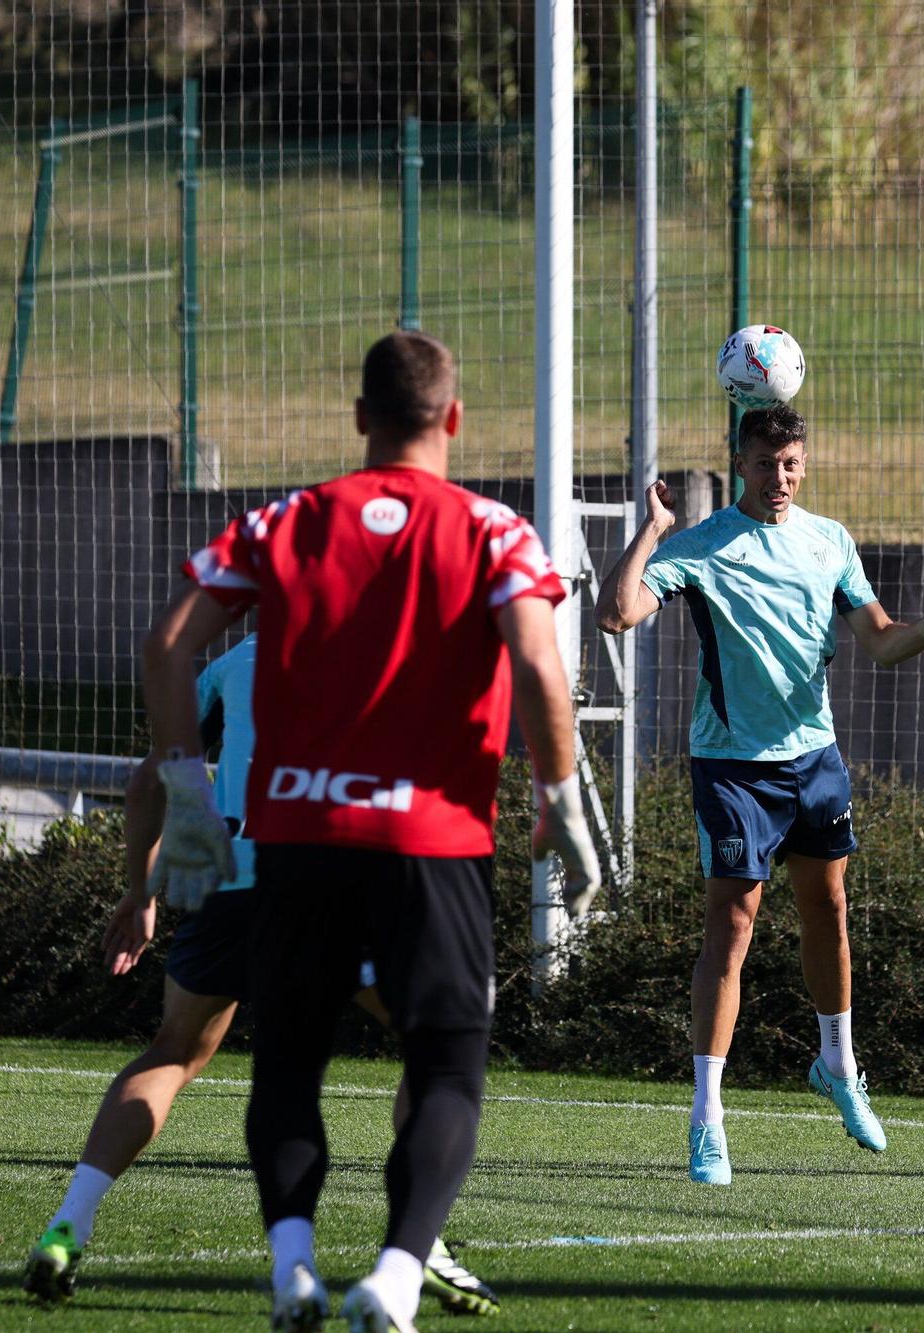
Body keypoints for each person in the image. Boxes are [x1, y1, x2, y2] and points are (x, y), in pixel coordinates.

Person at [143, 330, 599, 1332]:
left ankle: (293, 1271)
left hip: (297, 840)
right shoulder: (494, 530)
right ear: (454, 419)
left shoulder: (284, 521)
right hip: (431, 850)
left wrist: (186, 795)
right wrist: (559, 801)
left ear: (359, 420)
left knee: (289, 1062)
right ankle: (394, 1276)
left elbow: (168, 644)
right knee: (444, 1065)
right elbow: (536, 661)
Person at [22, 633, 499, 1317]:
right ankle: (415, 1252)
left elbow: (148, 780)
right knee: (437, 1049)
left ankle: (68, 1226)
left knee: (174, 1052)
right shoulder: (386, 647)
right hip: (325, 879)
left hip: (230, 878)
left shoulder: (232, 662)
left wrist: (140, 892)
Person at [596, 403, 924, 1186]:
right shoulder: (702, 547)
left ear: (802, 464)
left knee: (830, 906)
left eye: (792, 463)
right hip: (734, 765)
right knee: (733, 922)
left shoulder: (829, 539)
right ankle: (707, 1118)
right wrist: (652, 531)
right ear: (738, 462)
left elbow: (881, 640)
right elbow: (615, 613)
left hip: (815, 758)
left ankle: (838, 1067)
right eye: (766, 462)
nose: (780, 477)